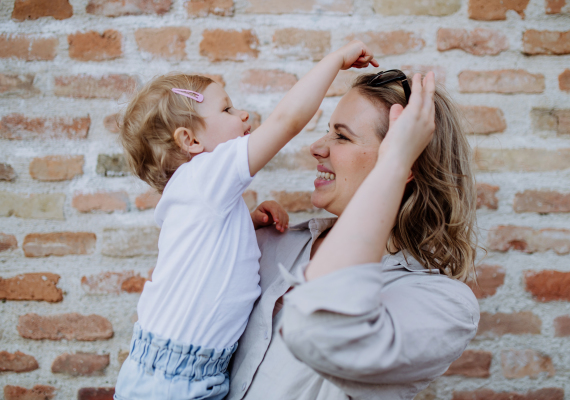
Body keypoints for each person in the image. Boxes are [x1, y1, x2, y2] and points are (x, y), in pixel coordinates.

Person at [113, 41, 380, 400]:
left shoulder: (201, 195)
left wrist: (244, 223)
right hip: (171, 381)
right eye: (226, 109)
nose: (242, 115)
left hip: (191, 372)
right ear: (189, 140)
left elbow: (204, 257)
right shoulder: (203, 176)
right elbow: (287, 121)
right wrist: (335, 61)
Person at [227, 70, 480, 400]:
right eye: (328, 132)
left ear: (407, 164)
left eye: (342, 137)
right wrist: (227, 243)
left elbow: (319, 331)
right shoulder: (269, 242)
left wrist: (396, 161)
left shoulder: (444, 305)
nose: (317, 148)